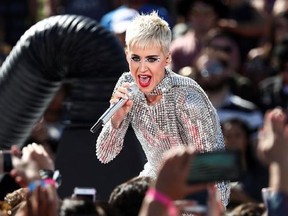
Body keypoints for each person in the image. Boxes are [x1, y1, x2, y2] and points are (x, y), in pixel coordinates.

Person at [95, 11, 229, 206]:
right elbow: (105, 155)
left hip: (193, 192)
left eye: (151, 59)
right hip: (153, 182)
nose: (142, 69)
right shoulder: (126, 84)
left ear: (167, 59)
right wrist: (115, 122)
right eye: (135, 58)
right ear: (126, 56)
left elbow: (217, 173)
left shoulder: (188, 98)